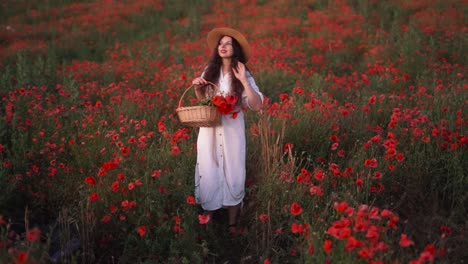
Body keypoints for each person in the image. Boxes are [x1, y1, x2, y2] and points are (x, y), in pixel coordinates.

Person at [191, 27, 264, 233]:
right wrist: (198, 87)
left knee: (234, 170)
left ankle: (232, 223)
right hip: (210, 131)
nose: (223, 46)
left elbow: (256, 104)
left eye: (228, 43)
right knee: (208, 168)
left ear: (236, 49)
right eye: (220, 43)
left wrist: (242, 80)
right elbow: (203, 100)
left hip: (232, 130)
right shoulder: (210, 70)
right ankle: (208, 222)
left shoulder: (243, 73)